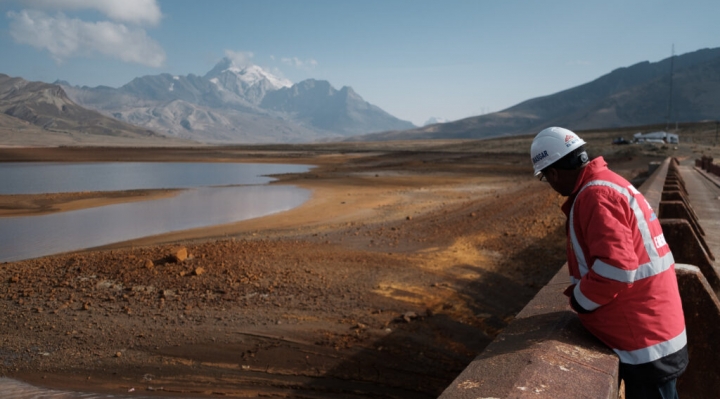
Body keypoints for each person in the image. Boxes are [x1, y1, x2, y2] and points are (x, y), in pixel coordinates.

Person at [530, 127, 688, 399]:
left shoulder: (596, 195)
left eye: (547, 177)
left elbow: (617, 267)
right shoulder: (609, 182)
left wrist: (580, 300)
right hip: (653, 331)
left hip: (645, 342)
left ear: (554, 173)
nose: (551, 184)